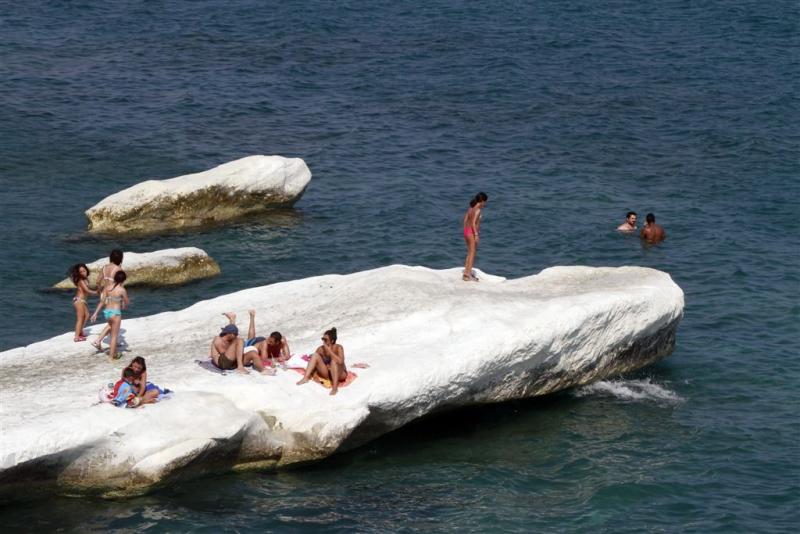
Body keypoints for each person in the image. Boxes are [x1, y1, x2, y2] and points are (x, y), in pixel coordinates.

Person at [296, 327, 347, 396]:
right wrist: (315, 375)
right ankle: (305, 378)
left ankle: (335, 388)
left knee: (334, 362)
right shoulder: (321, 349)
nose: (323, 341)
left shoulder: (338, 347)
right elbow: (313, 363)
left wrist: (329, 351)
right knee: (315, 355)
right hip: (327, 374)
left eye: (325, 340)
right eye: (322, 339)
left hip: (340, 374)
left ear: (332, 341)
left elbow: (341, 361)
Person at [90, 270, 129, 361]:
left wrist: (95, 313)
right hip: (115, 313)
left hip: (107, 312)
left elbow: (102, 302)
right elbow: (127, 302)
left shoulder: (107, 288)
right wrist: (122, 301)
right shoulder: (122, 290)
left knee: (110, 328)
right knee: (114, 336)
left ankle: (100, 342)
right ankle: (111, 357)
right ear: (123, 280)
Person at [93, 249, 124, 348]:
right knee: (114, 320)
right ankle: (98, 340)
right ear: (120, 259)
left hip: (104, 294)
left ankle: (112, 340)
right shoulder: (119, 270)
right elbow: (120, 286)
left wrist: (99, 291)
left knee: (111, 319)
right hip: (113, 296)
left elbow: (97, 281)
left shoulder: (104, 268)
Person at [462, 192, 488, 282]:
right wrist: (476, 234)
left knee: (469, 252)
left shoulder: (471, 208)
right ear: (482, 201)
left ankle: (466, 272)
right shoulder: (477, 210)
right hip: (471, 233)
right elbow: (473, 223)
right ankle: (468, 274)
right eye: (485, 202)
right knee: (472, 253)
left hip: (466, 231)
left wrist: (465, 230)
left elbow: (465, 220)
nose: (485, 204)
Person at [68, 263, 97, 342]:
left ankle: (80, 331)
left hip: (82, 300)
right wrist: (97, 292)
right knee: (80, 318)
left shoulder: (85, 279)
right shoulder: (80, 280)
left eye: (84, 271)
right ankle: (77, 337)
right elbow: (87, 290)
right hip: (79, 300)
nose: (83, 273)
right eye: (81, 272)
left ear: (86, 270)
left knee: (87, 315)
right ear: (78, 273)